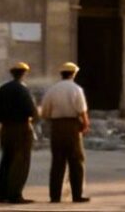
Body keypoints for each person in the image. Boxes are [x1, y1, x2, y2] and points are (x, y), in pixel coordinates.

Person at [38, 62, 91, 203]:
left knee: (57, 162)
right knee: (76, 161)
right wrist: (85, 124)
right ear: (73, 74)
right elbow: (82, 110)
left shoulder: (52, 90)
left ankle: (54, 196)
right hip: (72, 126)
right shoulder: (76, 89)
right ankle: (77, 195)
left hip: (56, 127)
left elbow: (45, 112)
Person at [0, 61, 39, 205]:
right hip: (21, 128)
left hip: (6, 128)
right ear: (24, 74)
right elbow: (31, 110)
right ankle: (15, 194)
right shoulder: (23, 89)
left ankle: (2, 194)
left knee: (6, 160)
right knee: (20, 161)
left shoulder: (3, 89)